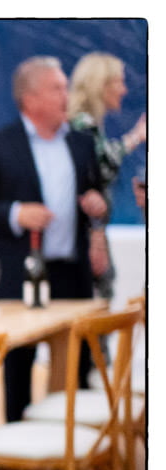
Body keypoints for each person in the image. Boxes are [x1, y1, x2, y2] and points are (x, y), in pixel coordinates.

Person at [0, 56, 108, 423]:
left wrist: (97, 207)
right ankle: (18, 461)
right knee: (19, 369)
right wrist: (15, 213)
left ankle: (72, 454)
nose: (67, 95)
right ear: (31, 97)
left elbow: (94, 195)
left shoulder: (80, 143)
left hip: (72, 274)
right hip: (17, 272)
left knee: (75, 366)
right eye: (58, 87)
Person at [68, 52, 147, 300]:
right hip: (84, 241)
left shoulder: (89, 125)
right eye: (119, 82)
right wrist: (135, 137)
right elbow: (97, 173)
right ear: (100, 84)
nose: (124, 90)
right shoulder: (81, 124)